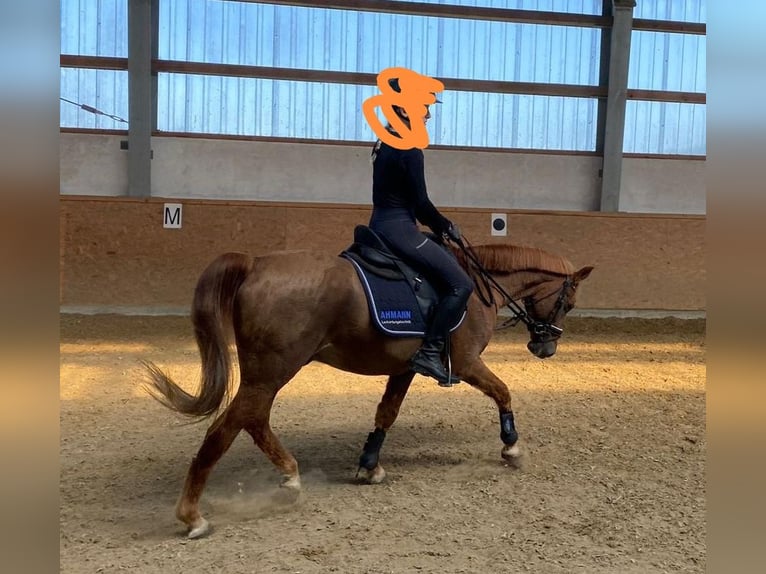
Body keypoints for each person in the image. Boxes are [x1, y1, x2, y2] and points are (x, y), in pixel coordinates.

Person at [368, 78, 474, 386]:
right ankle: (429, 352)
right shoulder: (409, 147)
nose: (427, 114)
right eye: (424, 107)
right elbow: (420, 203)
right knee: (461, 283)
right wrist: (446, 226)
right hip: (400, 228)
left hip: (381, 223)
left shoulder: (385, 138)